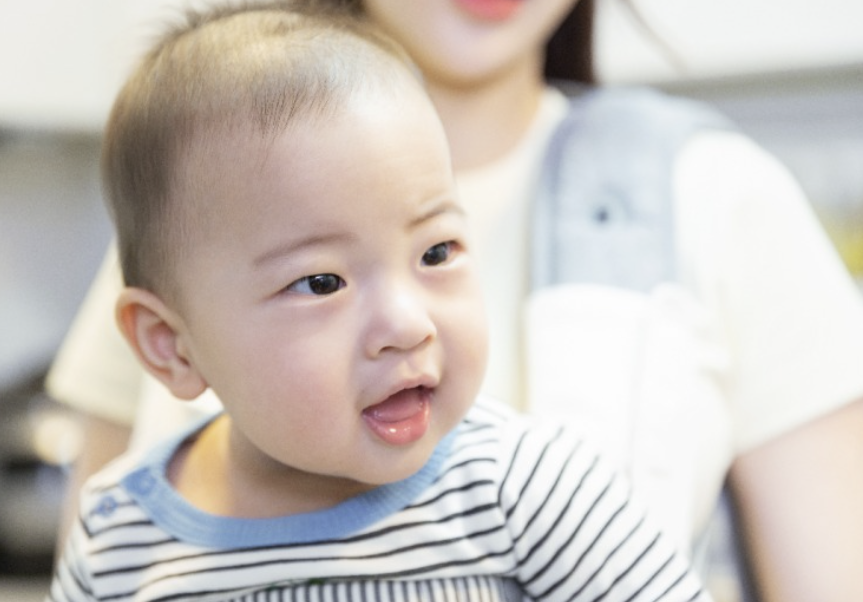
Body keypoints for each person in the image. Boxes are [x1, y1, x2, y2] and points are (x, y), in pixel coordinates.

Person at [50, 1, 863, 600]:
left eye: (438, 253)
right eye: (320, 283)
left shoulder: (529, 483)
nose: (407, 324)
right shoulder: (118, 528)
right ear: (169, 343)